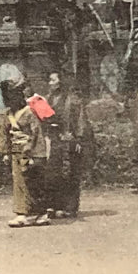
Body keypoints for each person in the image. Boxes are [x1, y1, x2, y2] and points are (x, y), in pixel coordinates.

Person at [0, 79, 50, 228]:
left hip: (30, 152)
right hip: (16, 152)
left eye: (12, 97)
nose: (10, 101)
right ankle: (23, 212)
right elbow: (4, 133)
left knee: (32, 181)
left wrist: (31, 152)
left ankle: (38, 213)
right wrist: (5, 152)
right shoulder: (9, 114)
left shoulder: (30, 112)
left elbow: (35, 133)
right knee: (19, 182)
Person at [45, 71, 90, 218]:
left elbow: (81, 120)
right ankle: (54, 204)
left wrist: (79, 138)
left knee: (70, 173)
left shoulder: (73, 99)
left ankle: (69, 206)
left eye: (53, 80)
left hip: (69, 139)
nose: (50, 83)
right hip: (53, 139)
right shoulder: (48, 99)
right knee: (53, 173)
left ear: (60, 82)